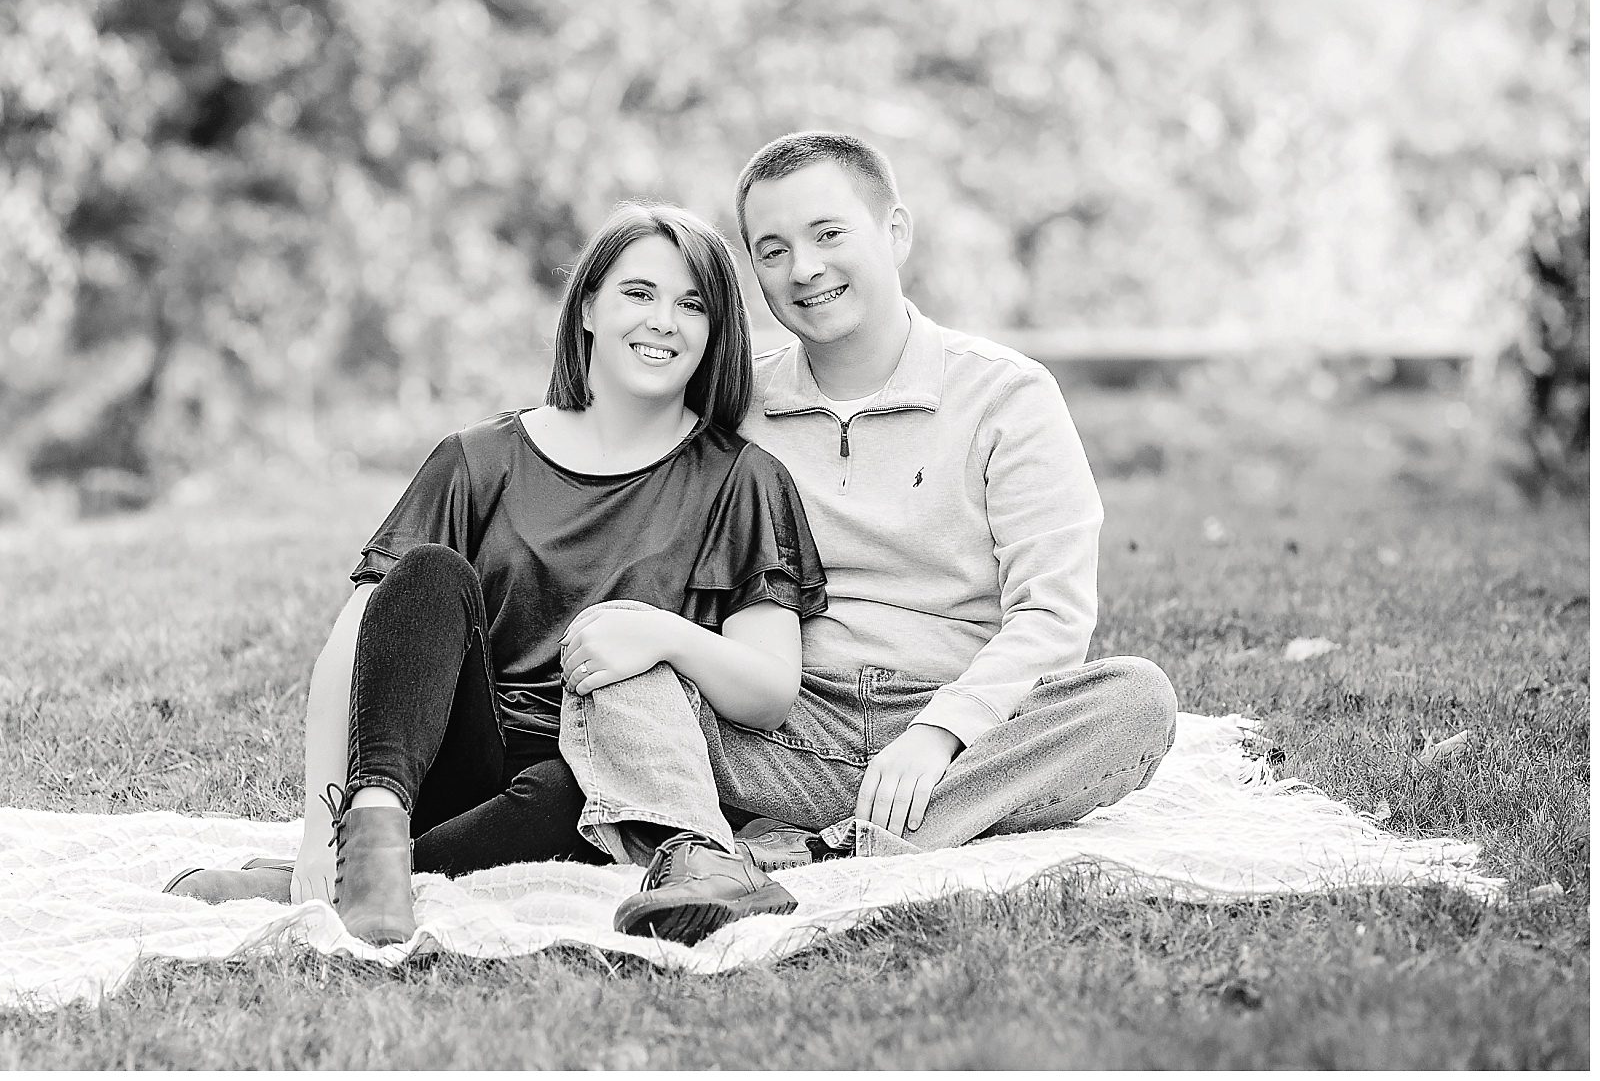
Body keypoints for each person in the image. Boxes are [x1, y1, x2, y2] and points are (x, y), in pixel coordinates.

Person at [559, 132, 1180, 944]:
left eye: (829, 235)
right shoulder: (735, 406)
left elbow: (1053, 615)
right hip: (783, 728)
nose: (804, 269)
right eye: (772, 250)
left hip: (962, 735)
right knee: (619, 668)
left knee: (1137, 699)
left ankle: (828, 852)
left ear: (896, 232)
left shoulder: (1007, 396)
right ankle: (703, 857)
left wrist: (938, 733)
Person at [167, 201, 827, 945]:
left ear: (716, 332)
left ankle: (357, 882)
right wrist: (324, 827)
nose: (664, 322)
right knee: (424, 574)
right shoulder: (478, 460)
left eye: (692, 304)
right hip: (440, 758)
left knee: (573, 788)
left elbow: (770, 693)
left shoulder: (741, 480)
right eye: (638, 294)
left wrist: (668, 637)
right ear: (586, 309)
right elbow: (348, 650)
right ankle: (371, 831)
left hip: (596, 779)